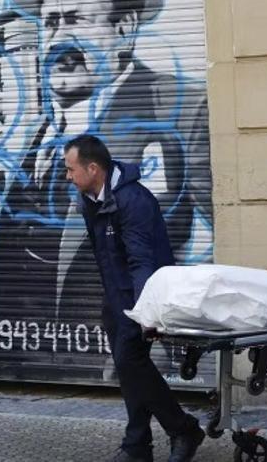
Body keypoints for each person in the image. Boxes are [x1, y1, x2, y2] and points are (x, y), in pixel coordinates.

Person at [0, 0, 210, 363]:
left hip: (126, 339)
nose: (58, 38)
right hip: (38, 357)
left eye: (74, 20)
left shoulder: (181, 106)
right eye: (50, 23)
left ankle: (166, 424)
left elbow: (220, 239)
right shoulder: (45, 130)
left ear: (124, 28)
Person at [63, 134, 204, 462]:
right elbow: (104, 254)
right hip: (116, 297)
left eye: (71, 170)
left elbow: (143, 261)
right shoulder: (90, 199)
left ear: (93, 168)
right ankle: (138, 446)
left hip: (142, 297)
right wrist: (111, 300)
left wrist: (146, 312)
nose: (67, 176)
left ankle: (182, 428)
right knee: (130, 369)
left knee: (130, 362)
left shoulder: (134, 201)